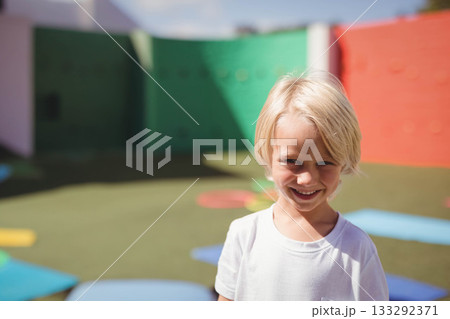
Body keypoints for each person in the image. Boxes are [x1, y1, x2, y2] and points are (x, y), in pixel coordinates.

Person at [215, 73, 389, 301]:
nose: (307, 179)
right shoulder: (243, 234)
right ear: (268, 155)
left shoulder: (356, 248)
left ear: (343, 161)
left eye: (325, 162)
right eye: (292, 161)